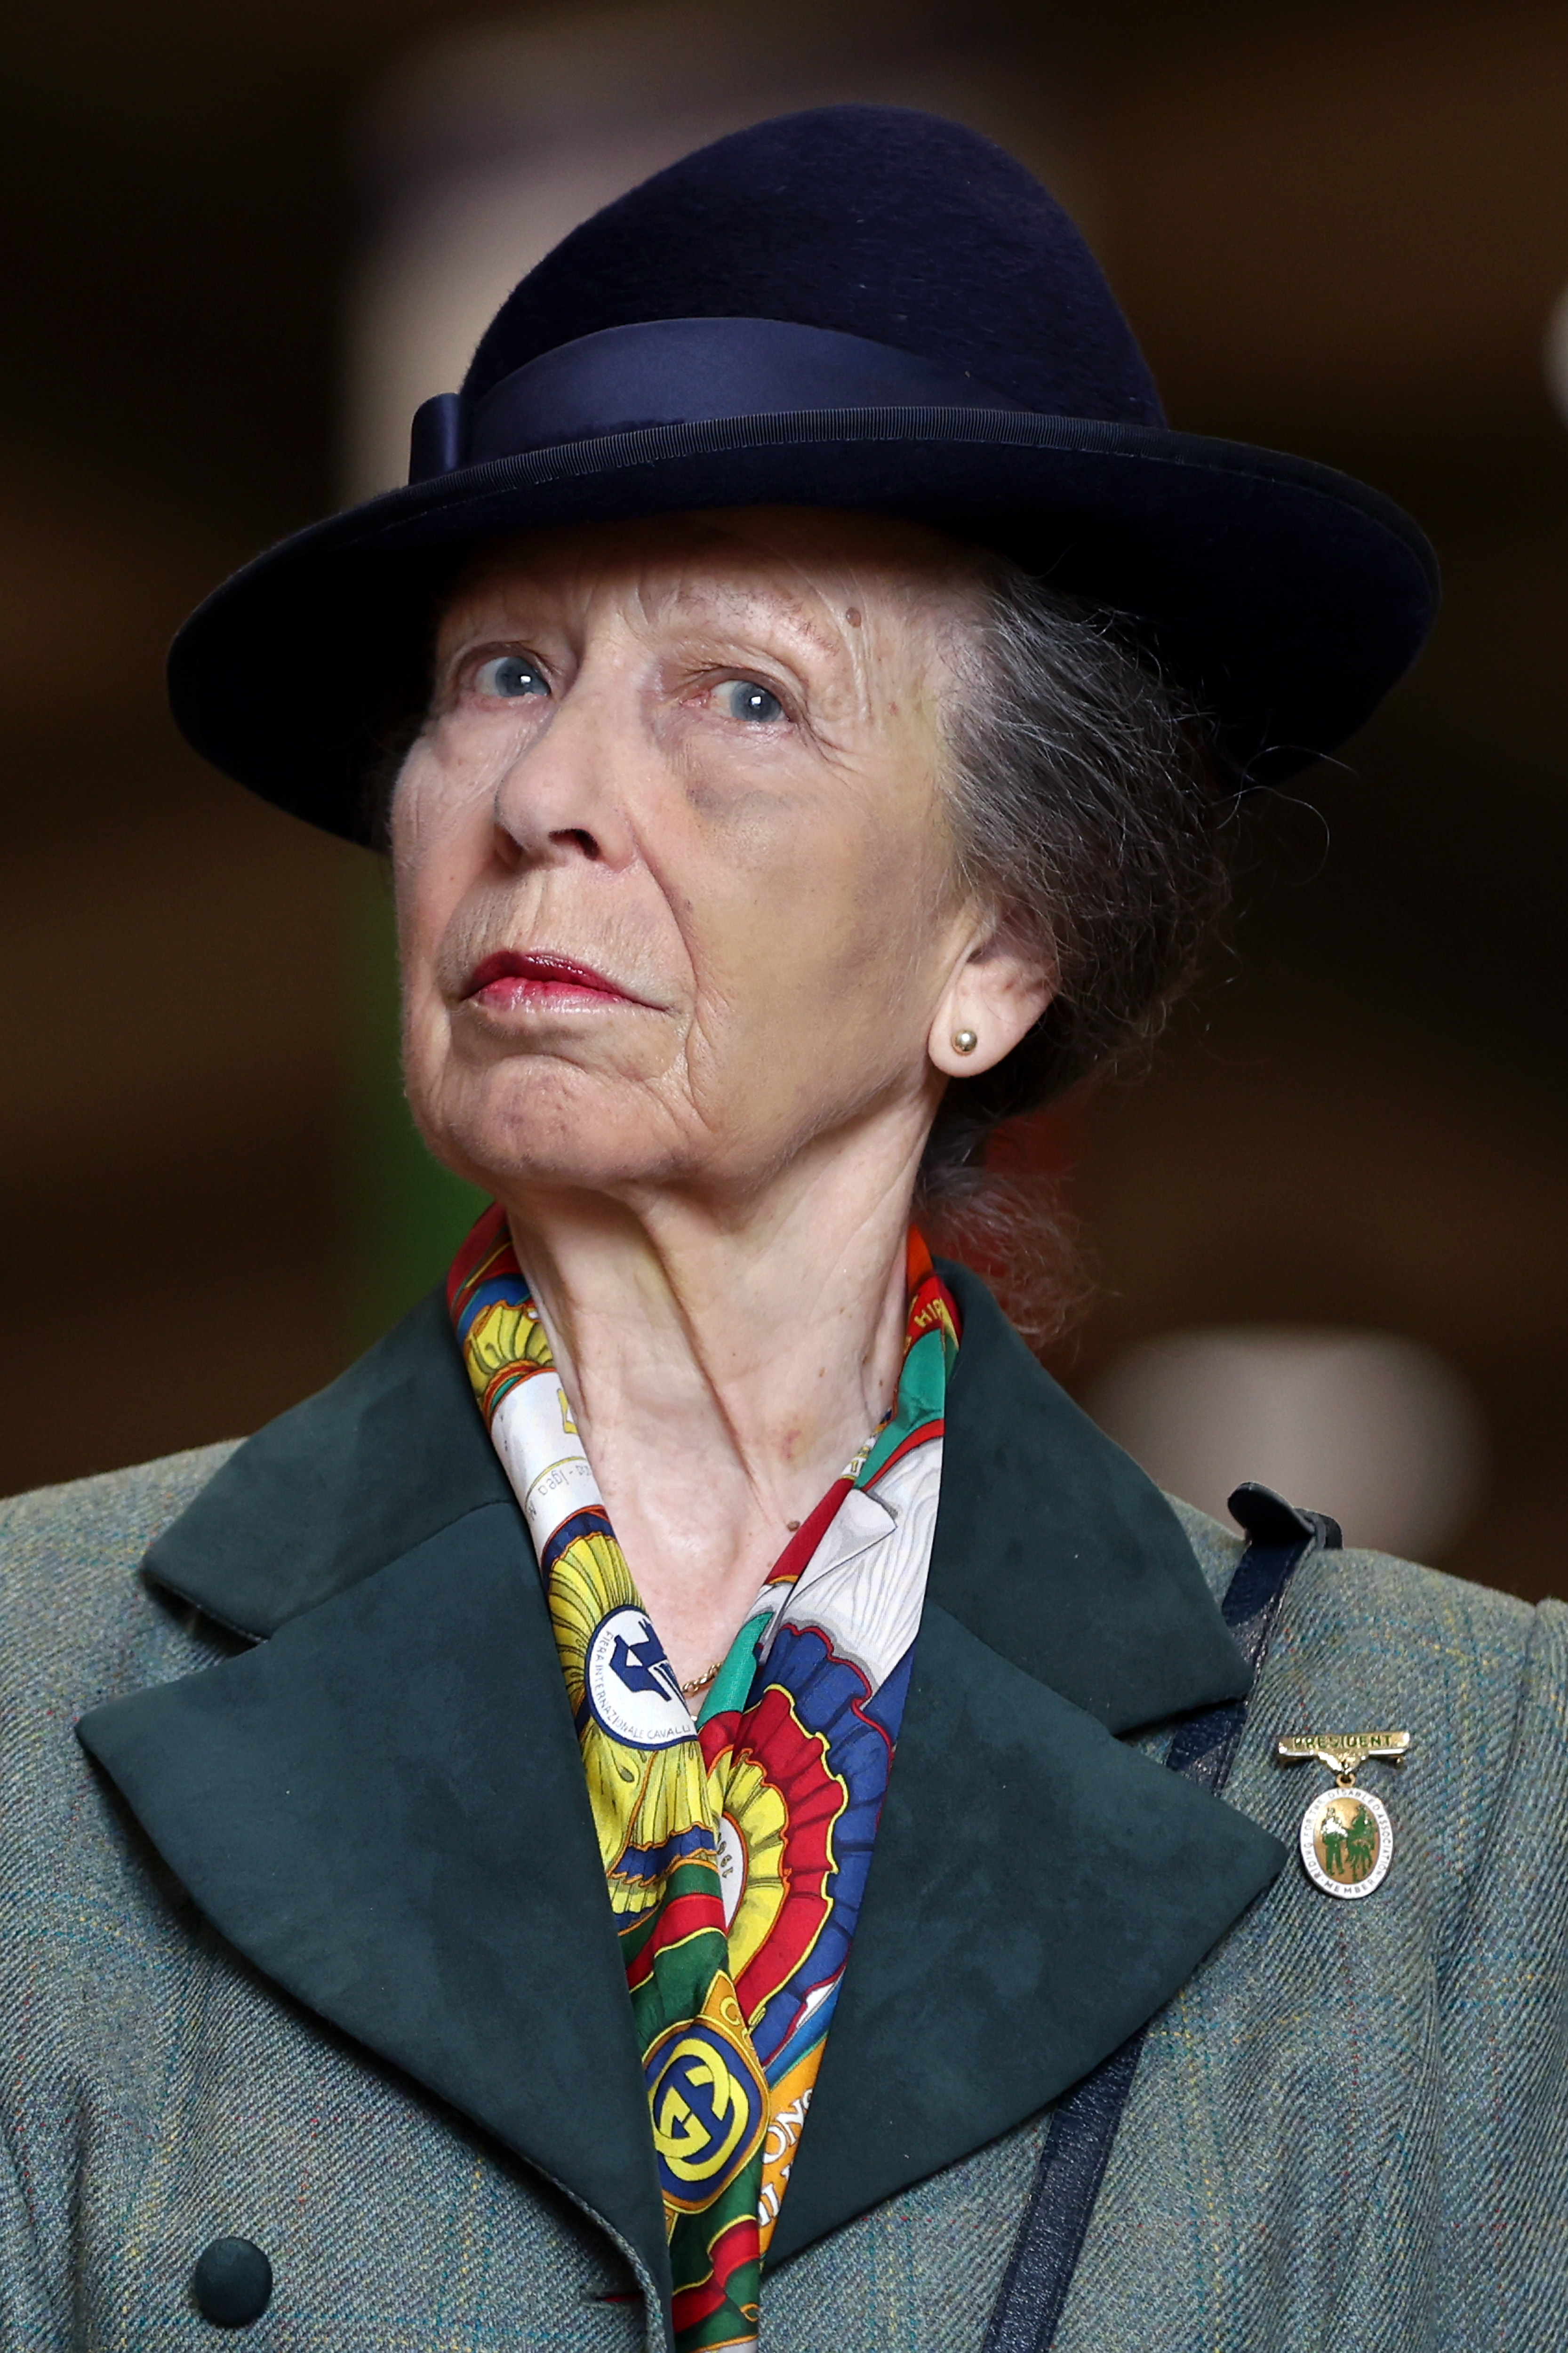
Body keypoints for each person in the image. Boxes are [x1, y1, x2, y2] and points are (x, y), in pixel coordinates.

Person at [3, 104, 1564, 2353]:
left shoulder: (1465, 1783)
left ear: (997, 949)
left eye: (737, 695)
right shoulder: (25, 1691)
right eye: (500, 674)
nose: (545, 796)